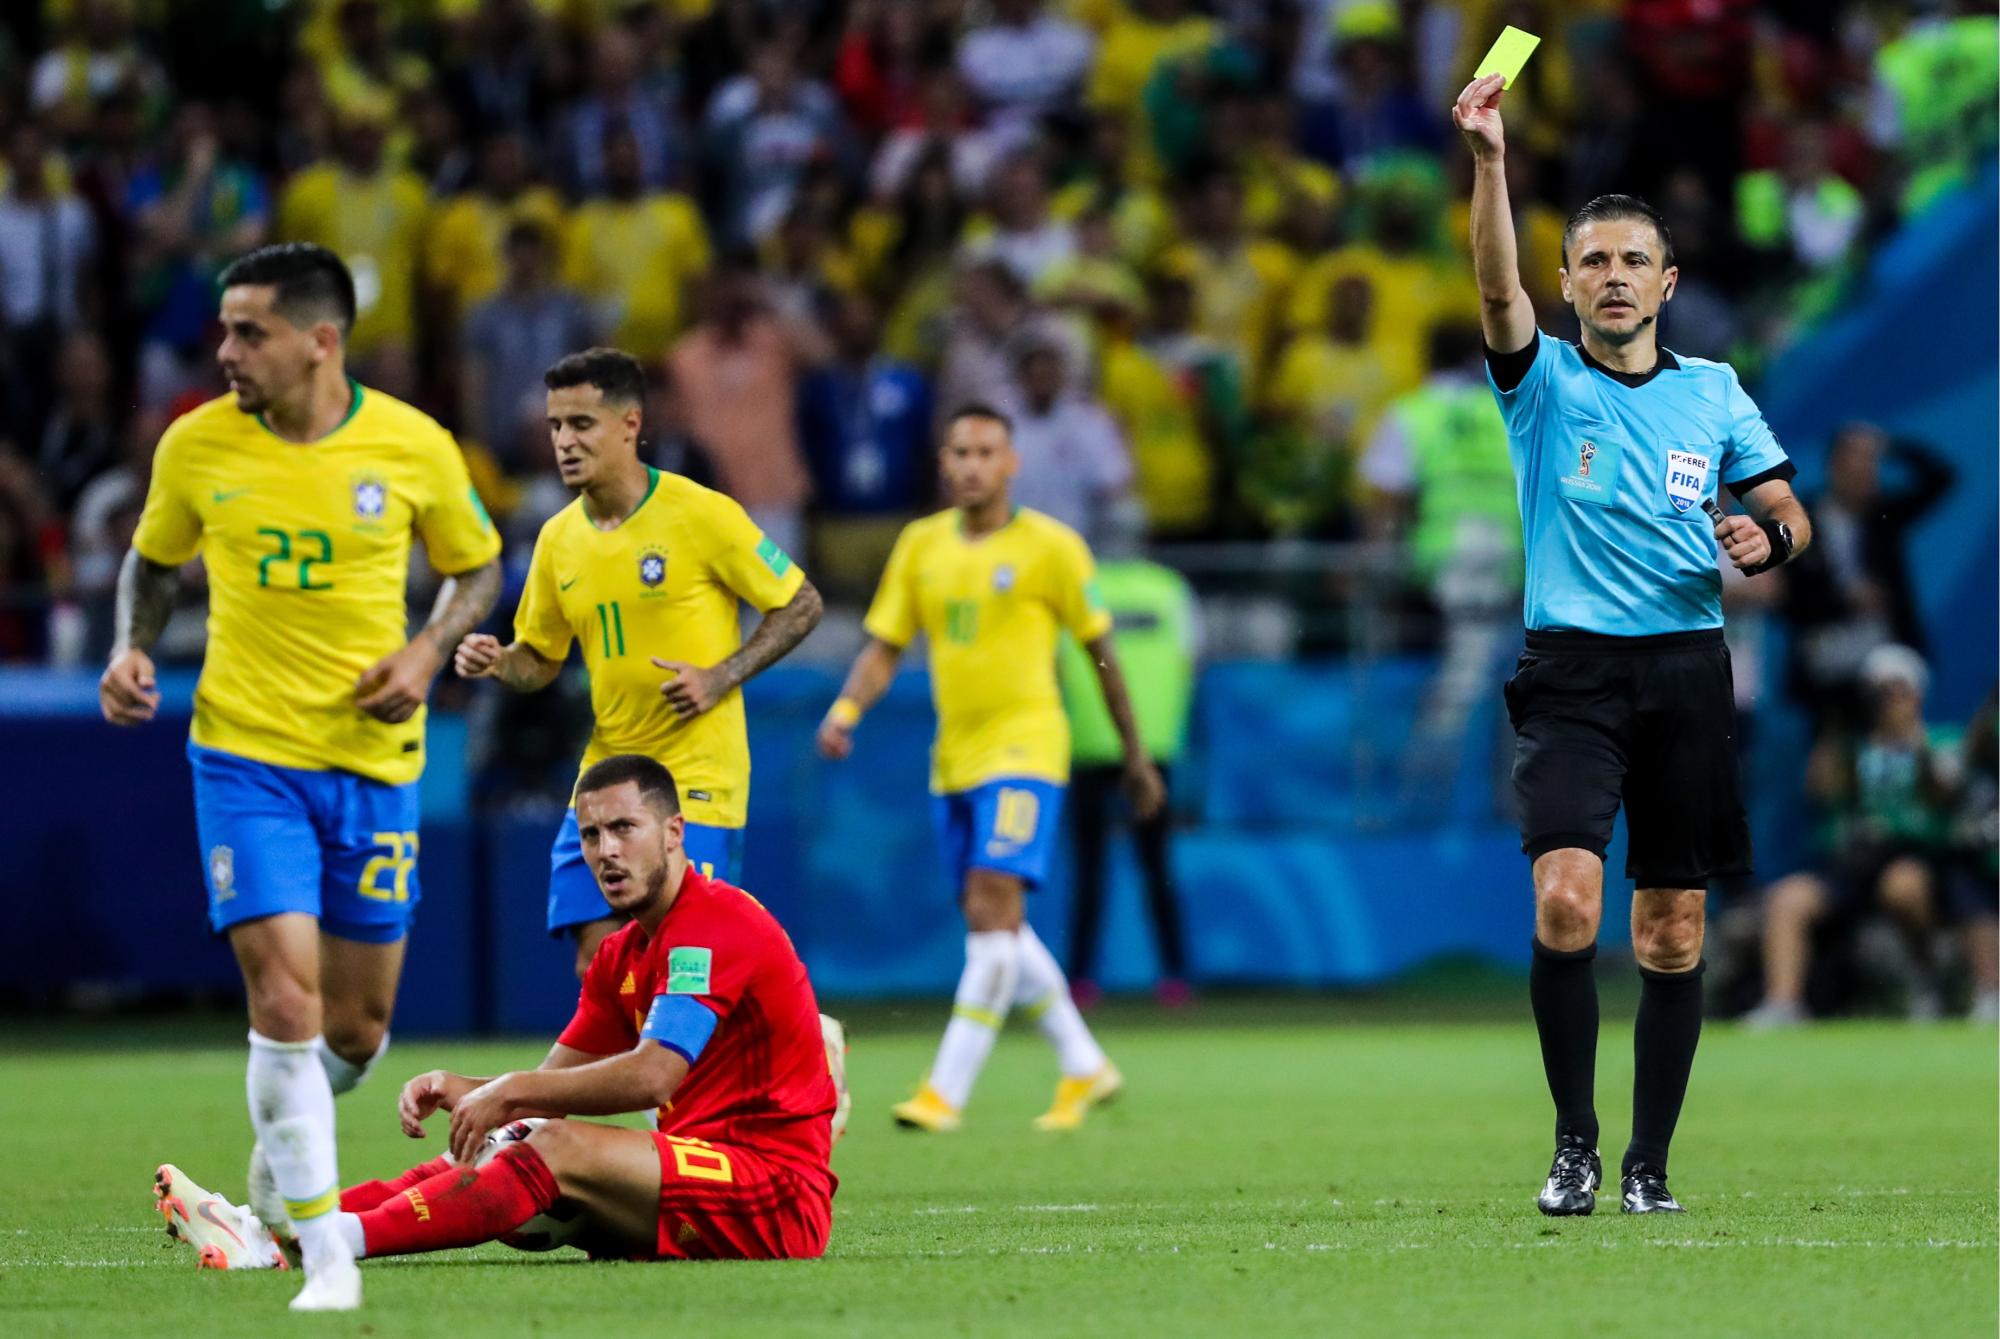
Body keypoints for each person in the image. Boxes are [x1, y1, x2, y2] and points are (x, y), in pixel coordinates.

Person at [98, 242, 503, 1310]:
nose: (224, 350)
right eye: (224, 328)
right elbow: (153, 555)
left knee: (357, 1031)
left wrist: (425, 653)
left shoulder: (411, 445)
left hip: (372, 766)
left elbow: (478, 564)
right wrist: (130, 644)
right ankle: (323, 1257)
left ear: (322, 341)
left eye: (249, 331)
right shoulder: (196, 445)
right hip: (244, 755)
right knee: (283, 996)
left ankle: (267, 1197)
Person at [1455, 72, 1815, 1217]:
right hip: (1569, 672)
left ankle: (1648, 1166)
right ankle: (1573, 1143)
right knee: (1563, 902)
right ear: (1563, 285)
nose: (1609, 277)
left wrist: (1765, 541)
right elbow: (1489, 281)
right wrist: (1491, 164)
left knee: (1668, 930)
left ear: (1666, 282)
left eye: (1629, 261)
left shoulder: (1711, 391)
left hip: (1684, 670)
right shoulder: (1539, 382)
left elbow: (1786, 514)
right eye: (1590, 261)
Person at [154, 754, 839, 1270]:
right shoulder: (621, 954)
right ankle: (267, 1234)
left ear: (673, 831)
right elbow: (548, 1090)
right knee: (509, 1140)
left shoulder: (715, 923)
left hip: (775, 1191)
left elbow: (651, 1076)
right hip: (698, 1176)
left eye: (624, 828)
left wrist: (507, 1093)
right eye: (591, 833)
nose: (605, 850)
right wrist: (479, 1092)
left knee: (549, 1145)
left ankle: (329, 1242)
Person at [817, 404, 1165, 1133]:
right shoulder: (920, 545)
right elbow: (884, 645)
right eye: (959, 451)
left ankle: (946, 1089)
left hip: (1028, 747)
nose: (971, 464)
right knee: (995, 919)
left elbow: (1101, 650)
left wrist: (1134, 754)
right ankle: (1083, 1064)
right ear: (944, 464)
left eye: (985, 451)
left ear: (1012, 463)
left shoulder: (1054, 547)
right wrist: (847, 709)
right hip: (955, 760)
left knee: (992, 899)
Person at [455, 348, 823, 978]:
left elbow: (801, 603)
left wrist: (720, 675)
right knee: (599, 966)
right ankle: (653, 1075)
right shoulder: (557, 539)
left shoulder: (699, 513)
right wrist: (499, 662)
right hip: (605, 774)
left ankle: (787, 1047)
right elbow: (539, 662)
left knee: (685, 964)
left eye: (581, 424)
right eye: (555, 427)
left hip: (695, 778)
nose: (564, 442)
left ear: (630, 424)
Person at [1744, 647, 1982, 1027]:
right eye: (1877, 692)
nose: (1886, 701)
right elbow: (1820, 792)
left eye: (1895, 690)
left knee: (1903, 887)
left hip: (1916, 854)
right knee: (1787, 900)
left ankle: (1927, 983)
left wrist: (1912, 739)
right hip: (1855, 860)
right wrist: (1835, 728)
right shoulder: (1852, 746)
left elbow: (1945, 798)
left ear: (1916, 693)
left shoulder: (1940, 739)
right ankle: (1783, 1003)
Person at [1054, 520, 1197, 1007]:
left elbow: (1054, 663)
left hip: (1092, 745)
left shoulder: (1080, 589)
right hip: (1153, 747)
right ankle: (1175, 977)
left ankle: (1080, 980)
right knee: (1157, 867)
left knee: (1091, 870)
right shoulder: (1170, 590)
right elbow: (1191, 659)